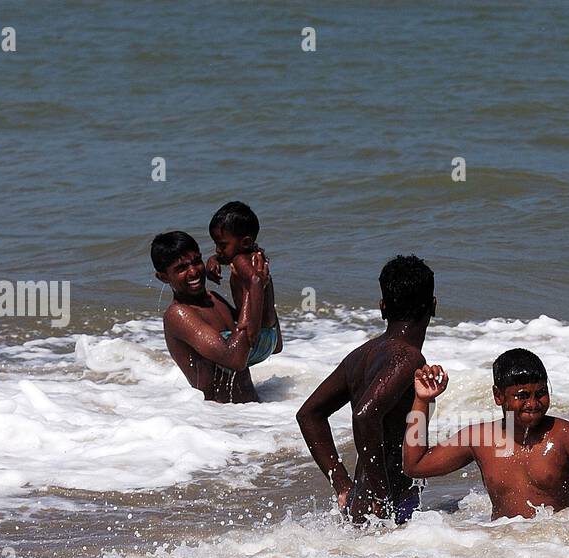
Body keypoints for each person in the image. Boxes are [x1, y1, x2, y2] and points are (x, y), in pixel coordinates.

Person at [402, 349, 569, 519]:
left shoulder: (563, 435)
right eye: (522, 396)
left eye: (541, 393)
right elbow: (415, 466)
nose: (533, 403)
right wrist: (423, 401)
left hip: (558, 549)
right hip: (505, 548)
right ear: (498, 396)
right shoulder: (481, 438)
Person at [297, 255, 434, 522]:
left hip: (362, 504)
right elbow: (365, 415)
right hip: (387, 508)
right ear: (433, 306)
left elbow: (309, 415)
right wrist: (382, 497)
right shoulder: (408, 358)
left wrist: (341, 483)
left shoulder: (361, 355)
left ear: (383, 307)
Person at [152, 230, 263, 403]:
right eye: (181, 268)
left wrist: (253, 276)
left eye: (197, 262)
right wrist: (252, 288)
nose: (193, 272)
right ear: (163, 277)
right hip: (218, 419)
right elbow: (234, 360)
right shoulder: (178, 315)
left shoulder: (214, 299)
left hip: (252, 413)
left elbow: (271, 341)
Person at [205, 201, 283, 366]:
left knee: (206, 347)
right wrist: (214, 260)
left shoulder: (240, 260)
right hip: (270, 336)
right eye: (215, 244)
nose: (217, 250)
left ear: (245, 243)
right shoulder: (254, 256)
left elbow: (256, 281)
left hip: (256, 336)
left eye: (222, 245)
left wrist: (251, 329)